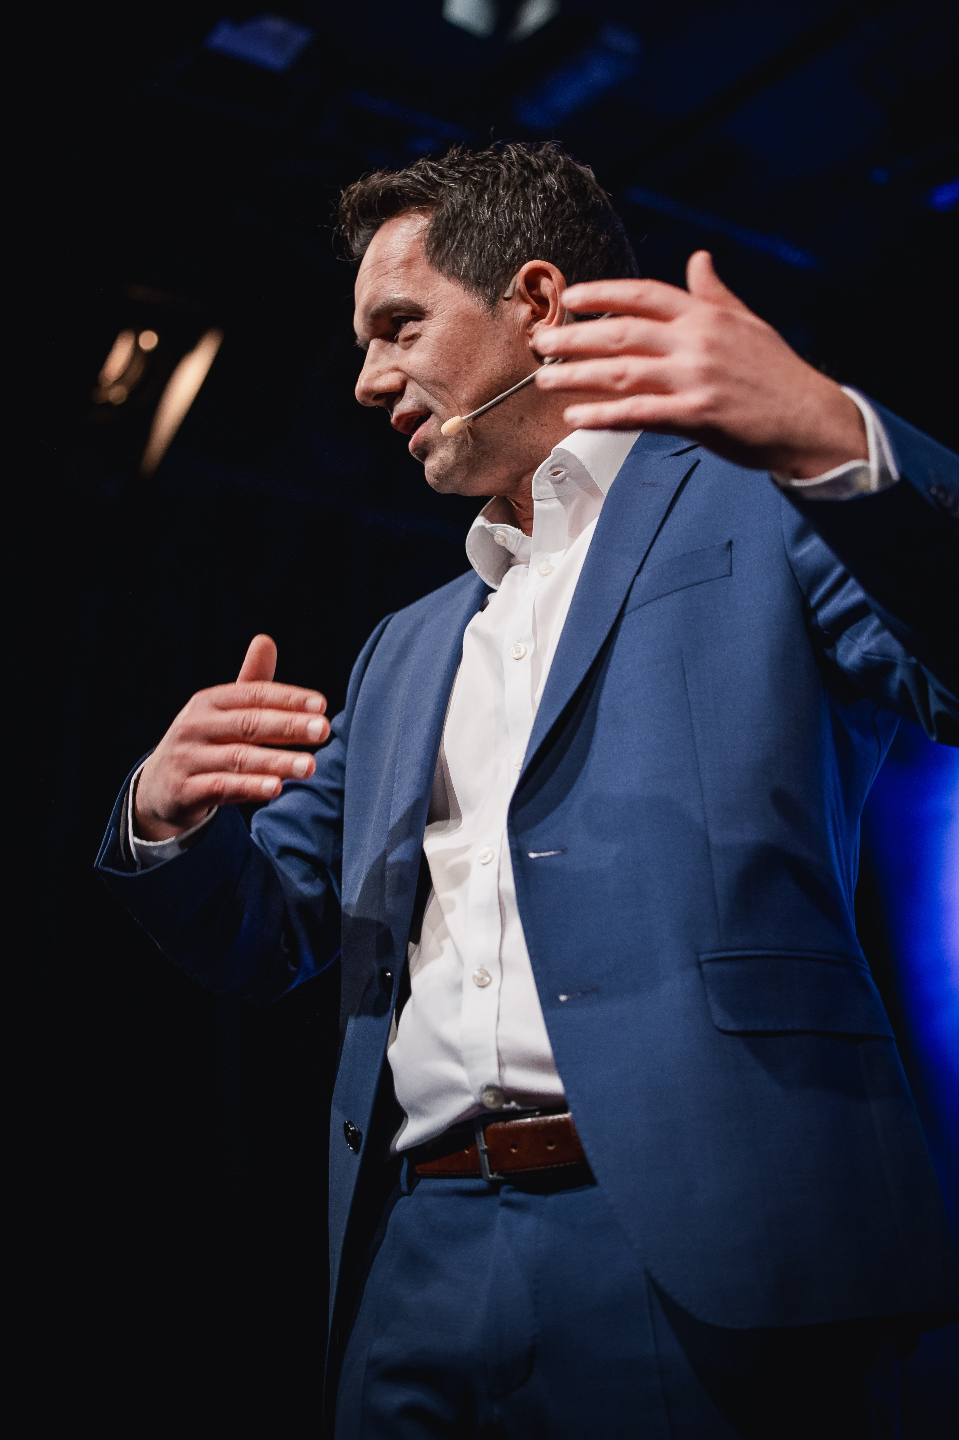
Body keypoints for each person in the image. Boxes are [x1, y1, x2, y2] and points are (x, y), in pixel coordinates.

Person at [97, 143, 958, 1437]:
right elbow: (272, 931)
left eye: (399, 327)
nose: (365, 379)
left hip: (703, 1237)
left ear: (538, 303)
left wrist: (837, 439)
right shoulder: (403, 648)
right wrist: (164, 823)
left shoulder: (762, 507)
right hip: (416, 1253)